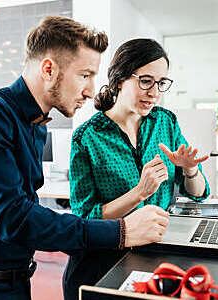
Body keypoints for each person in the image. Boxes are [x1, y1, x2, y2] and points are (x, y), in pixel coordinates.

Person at [0, 16, 170, 300]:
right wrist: (121, 232)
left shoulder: (36, 126)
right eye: (85, 75)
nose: (91, 91)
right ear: (48, 69)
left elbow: (28, 213)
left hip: (13, 282)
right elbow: (13, 218)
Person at [63, 38, 210, 300]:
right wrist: (140, 192)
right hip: (102, 265)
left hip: (155, 258)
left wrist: (189, 170)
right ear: (119, 79)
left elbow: (199, 193)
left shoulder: (165, 122)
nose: (154, 92)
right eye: (146, 81)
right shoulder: (87, 137)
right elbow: (85, 217)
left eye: (161, 83)